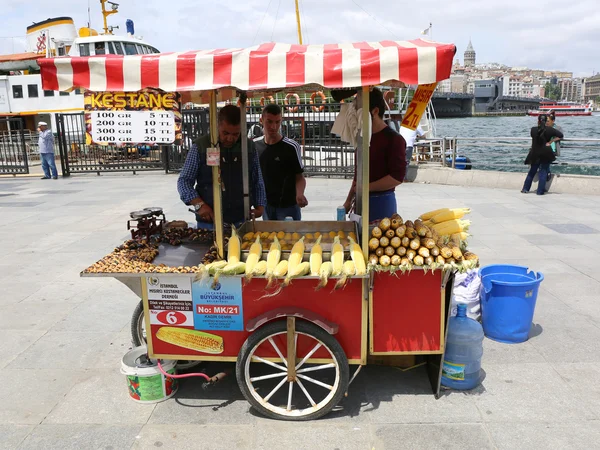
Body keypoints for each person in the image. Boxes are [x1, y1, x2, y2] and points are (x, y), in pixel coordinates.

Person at [177, 105, 266, 228]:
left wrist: (260, 207)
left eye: (236, 134)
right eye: (225, 133)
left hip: (241, 220)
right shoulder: (201, 146)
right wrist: (199, 204)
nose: (230, 138)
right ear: (217, 125)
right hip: (209, 222)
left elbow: (257, 180)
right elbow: (184, 181)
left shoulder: (249, 147)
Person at [343, 88, 407, 222]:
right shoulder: (361, 138)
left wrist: (366, 187)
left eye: (360, 111)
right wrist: (348, 201)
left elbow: (397, 177)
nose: (356, 115)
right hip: (359, 201)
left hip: (382, 203)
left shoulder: (394, 139)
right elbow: (357, 174)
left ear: (375, 111)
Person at [253, 103, 307, 220]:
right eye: (270, 122)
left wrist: (300, 194)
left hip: (288, 206)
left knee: (291, 237)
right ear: (261, 120)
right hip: (266, 206)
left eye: (277, 122)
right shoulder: (254, 146)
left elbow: (299, 177)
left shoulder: (291, 147)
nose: (273, 127)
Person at [521, 114, 563, 195]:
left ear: (538, 121)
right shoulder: (550, 130)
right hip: (545, 153)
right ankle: (540, 191)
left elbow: (534, 136)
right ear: (546, 121)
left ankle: (525, 189)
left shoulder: (533, 129)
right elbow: (561, 135)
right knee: (543, 172)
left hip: (535, 153)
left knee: (532, 172)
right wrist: (550, 142)